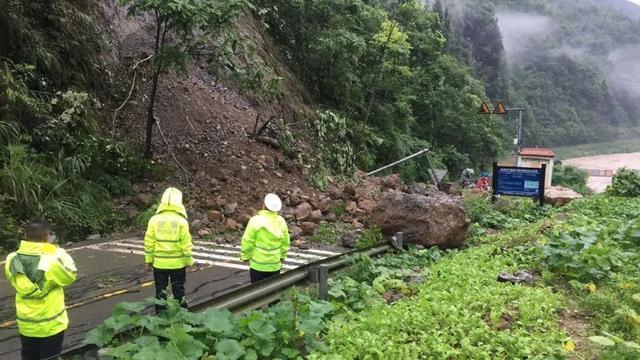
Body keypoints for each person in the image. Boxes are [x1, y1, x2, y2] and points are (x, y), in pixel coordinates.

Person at [4, 219, 77, 360]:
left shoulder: (12, 259)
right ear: (47, 236)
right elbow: (70, 275)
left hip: (27, 324)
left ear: (26, 235)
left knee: (29, 355)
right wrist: (53, 249)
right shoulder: (53, 258)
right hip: (52, 324)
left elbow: (11, 277)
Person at [144, 187, 193, 313]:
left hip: (159, 264)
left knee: (160, 291)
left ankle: (160, 317)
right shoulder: (182, 221)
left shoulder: (154, 220)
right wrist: (189, 261)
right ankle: (182, 316)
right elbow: (186, 244)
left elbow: (149, 241)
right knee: (178, 291)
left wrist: (148, 259)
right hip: (177, 264)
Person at [241, 193, 290, 283]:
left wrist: (245, 256)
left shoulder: (255, 220)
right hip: (274, 265)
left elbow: (247, 240)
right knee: (273, 292)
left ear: (264, 205)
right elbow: (285, 242)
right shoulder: (281, 221)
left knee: (257, 292)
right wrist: (283, 256)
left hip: (257, 265)